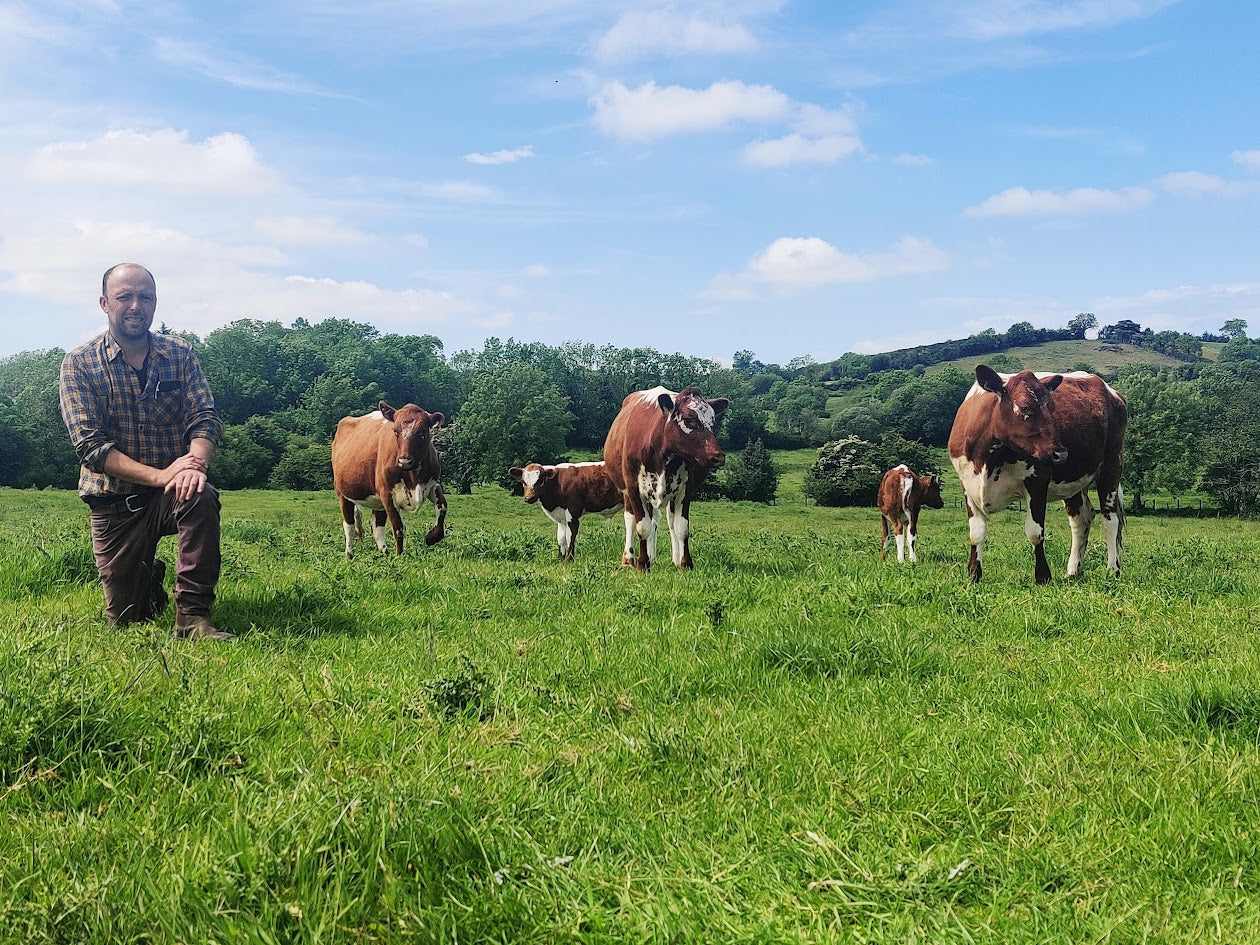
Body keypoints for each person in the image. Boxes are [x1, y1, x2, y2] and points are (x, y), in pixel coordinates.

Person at [59, 263, 233, 641]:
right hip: (115, 503)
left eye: (146, 297)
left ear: (155, 303)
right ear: (105, 304)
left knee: (200, 494)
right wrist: (161, 474)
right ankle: (146, 578)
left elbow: (204, 417)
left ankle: (191, 618)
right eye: (125, 297)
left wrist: (195, 464)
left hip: (172, 493)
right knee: (125, 619)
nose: (136, 305)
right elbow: (90, 445)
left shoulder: (180, 355)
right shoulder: (80, 364)